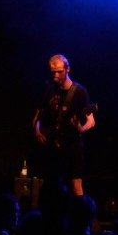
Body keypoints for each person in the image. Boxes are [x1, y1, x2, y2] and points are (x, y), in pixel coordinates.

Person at [30, 54, 96, 197]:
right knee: (50, 184)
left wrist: (81, 128)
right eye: (53, 72)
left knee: (76, 185)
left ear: (68, 69)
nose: (56, 75)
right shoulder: (48, 90)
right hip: (52, 144)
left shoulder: (79, 92)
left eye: (59, 71)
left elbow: (91, 121)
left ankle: (81, 215)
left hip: (72, 145)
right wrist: (37, 131)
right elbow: (38, 115)